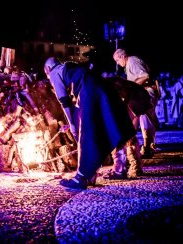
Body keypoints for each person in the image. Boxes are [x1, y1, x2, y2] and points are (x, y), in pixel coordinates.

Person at [44, 57, 136, 190]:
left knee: (87, 133)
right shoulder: (72, 68)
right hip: (102, 87)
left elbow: (64, 102)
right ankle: (94, 174)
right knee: (107, 124)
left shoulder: (53, 73)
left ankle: (81, 178)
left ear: (47, 69)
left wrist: (73, 125)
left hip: (89, 91)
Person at [113, 48, 159, 158]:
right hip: (142, 92)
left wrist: (132, 86)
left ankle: (147, 147)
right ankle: (148, 145)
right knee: (145, 118)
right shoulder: (130, 63)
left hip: (146, 91)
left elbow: (145, 76)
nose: (118, 64)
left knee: (145, 117)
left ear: (122, 56)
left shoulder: (132, 61)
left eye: (117, 61)